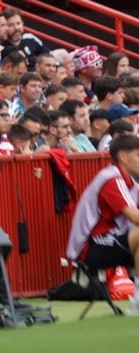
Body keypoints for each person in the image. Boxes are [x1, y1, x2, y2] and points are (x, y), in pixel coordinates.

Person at [66, 132, 139, 316]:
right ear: (123, 156)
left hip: (111, 242)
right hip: (90, 247)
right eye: (138, 155)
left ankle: (137, 301)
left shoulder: (131, 184)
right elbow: (135, 217)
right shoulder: (112, 178)